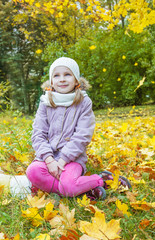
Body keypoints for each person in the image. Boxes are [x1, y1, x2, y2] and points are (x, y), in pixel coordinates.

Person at [0, 57, 131, 199]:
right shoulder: (45, 102)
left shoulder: (83, 102)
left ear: (76, 80)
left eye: (67, 74)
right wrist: (49, 160)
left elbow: (82, 136)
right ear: (51, 81)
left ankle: (102, 180)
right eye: (57, 75)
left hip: (72, 159)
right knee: (32, 171)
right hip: (47, 158)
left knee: (68, 186)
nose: (62, 79)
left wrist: (62, 160)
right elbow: (38, 134)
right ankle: (83, 190)